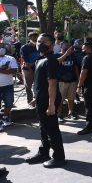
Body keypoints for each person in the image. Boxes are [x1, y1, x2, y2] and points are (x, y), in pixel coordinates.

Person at [26, 33, 66, 168]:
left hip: (49, 100)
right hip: (42, 99)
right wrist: (36, 99)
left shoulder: (50, 60)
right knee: (44, 128)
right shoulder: (40, 59)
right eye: (38, 41)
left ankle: (59, 157)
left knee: (52, 129)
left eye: (44, 41)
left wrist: (51, 105)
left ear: (52, 44)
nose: (40, 43)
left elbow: (52, 83)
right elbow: (40, 83)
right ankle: (44, 153)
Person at [57, 41, 79, 122]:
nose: (67, 46)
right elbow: (57, 62)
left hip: (72, 80)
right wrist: (66, 54)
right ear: (61, 46)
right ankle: (59, 114)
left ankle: (71, 113)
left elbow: (76, 67)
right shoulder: (57, 55)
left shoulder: (73, 56)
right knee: (60, 99)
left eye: (68, 44)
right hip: (61, 81)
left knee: (71, 98)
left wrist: (78, 79)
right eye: (65, 44)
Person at [0, 43, 18, 127]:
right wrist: (4, 70)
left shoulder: (11, 58)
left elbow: (14, 71)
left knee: (9, 103)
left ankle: (5, 117)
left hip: (8, 85)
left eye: (2, 47)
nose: (1, 49)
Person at [20, 32, 39, 107]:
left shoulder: (39, 47)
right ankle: (30, 102)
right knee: (28, 86)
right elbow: (26, 62)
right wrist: (32, 65)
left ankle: (36, 101)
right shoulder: (24, 48)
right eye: (33, 37)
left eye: (36, 37)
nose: (35, 38)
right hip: (27, 69)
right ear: (29, 38)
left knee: (38, 86)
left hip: (38, 69)